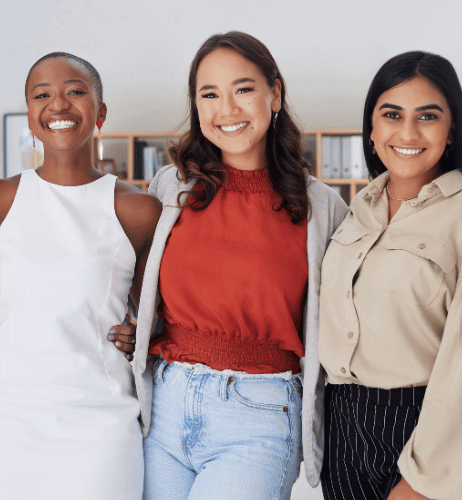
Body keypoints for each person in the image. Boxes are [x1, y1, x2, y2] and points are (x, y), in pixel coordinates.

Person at [116, 32, 348, 500]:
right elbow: (136, 276)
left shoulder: (323, 208)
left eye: (243, 89)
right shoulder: (171, 187)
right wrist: (133, 324)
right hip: (164, 403)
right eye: (210, 94)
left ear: (275, 94)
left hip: (258, 414)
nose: (227, 110)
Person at [317, 51, 462, 500]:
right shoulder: (356, 211)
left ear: (452, 128)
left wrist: (422, 482)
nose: (408, 132)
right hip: (344, 430)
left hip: (426, 429)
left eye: (428, 116)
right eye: (392, 114)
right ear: (372, 128)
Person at [0, 52, 162, 500]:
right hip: (5, 418)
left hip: (99, 420)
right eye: (42, 95)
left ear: (100, 112)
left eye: (75, 91)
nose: (59, 105)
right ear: (31, 115)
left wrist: (142, 331)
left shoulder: (136, 209)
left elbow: (160, 311)